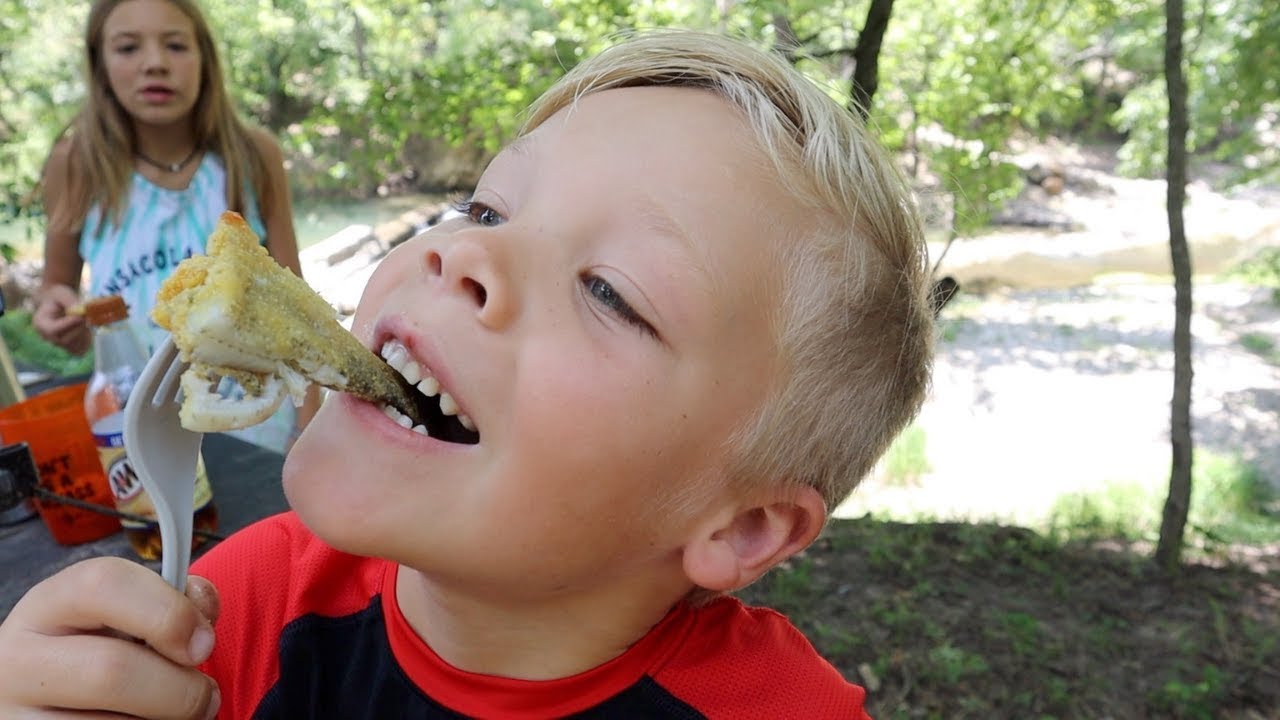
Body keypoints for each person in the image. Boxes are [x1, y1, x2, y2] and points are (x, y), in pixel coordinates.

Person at [0, 29, 934, 718]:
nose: (462, 256)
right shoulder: (229, 616)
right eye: (486, 210)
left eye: (611, 291)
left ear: (744, 525)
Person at [30, 0, 318, 452]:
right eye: (127, 48)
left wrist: (308, 429)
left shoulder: (252, 155)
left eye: (176, 45)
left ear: (205, 58)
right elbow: (58, 297)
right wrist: (57, 315)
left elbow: (297, 307)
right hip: (141, 434)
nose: (155, 64)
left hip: (258, 429)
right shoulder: (75, 165)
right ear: (99, 63)